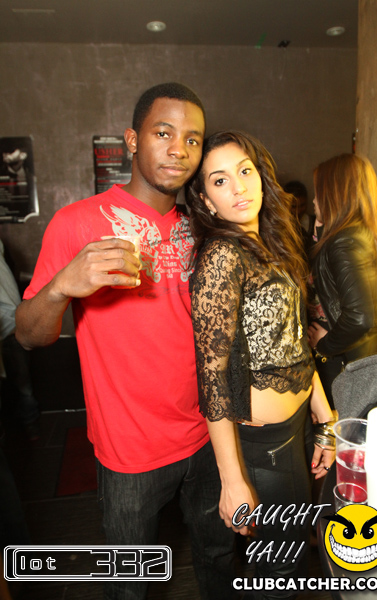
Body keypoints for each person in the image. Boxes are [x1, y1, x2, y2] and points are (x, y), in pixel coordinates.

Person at [15, 83, 235, 600]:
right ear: (132, 140)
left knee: (218, 559)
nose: (178, 149)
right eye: (163, 133)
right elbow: (28, 335)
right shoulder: (76, 222)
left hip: (209, 434)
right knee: (129, 583)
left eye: (192, 139)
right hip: (128, 449)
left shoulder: (204, 226)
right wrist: (62, 286)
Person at [187, 130, 335, 598]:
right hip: (261, 448)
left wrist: (324, 413)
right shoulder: (222, 257)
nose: (238, 187)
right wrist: (231, 480)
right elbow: (212, 377)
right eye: (220, 180)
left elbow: (294, 338)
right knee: (278, 573)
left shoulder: (271, 241)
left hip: (297, 426)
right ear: (206, 201)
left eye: (245, 171)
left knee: (291, 559)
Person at [307, 154, 377, 404]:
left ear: (334, 194)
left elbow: (360, 317)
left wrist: (324, 344)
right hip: (351, 361)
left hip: (341, 363)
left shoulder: (344, 242)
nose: (314, 200)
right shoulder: (357, 234)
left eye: (318, 192)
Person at [0, 239, 40, 440]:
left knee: (22, 383)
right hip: (11, 321)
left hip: (10, 324)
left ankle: (29, 428)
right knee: (21, 383)